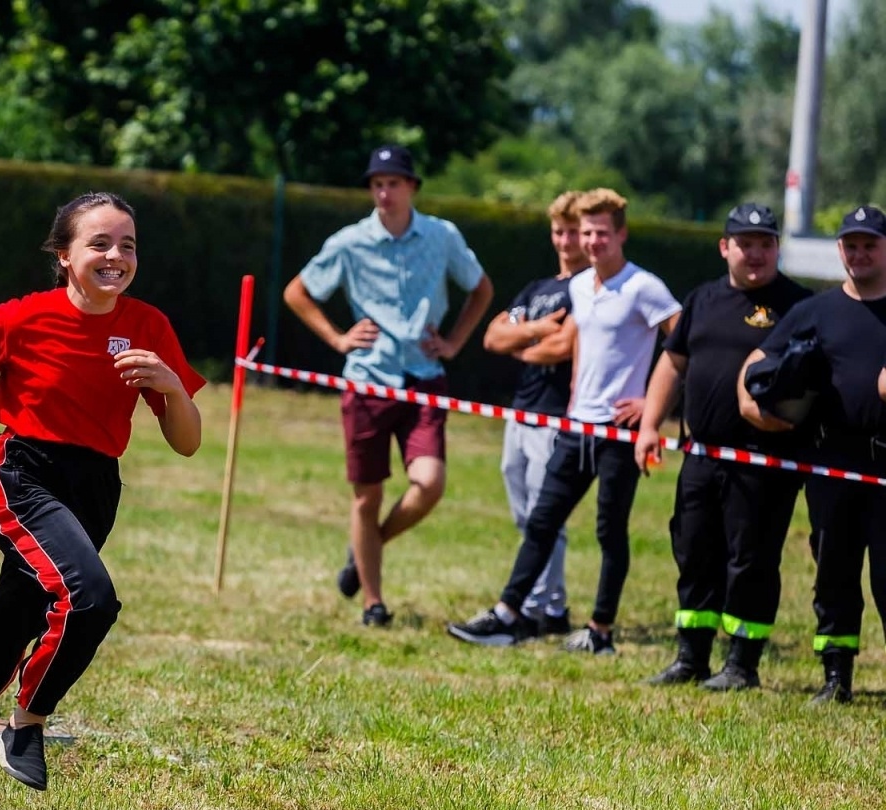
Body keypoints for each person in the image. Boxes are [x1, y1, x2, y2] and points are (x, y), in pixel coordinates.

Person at [0, 191, 205, 810]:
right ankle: (26, 723)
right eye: (99, 243)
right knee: (90, 599)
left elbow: (186, 442)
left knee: (13, 621)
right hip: (23, 475)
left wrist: (172, 389)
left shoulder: (149, 327)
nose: (116, 256)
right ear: (64, 254)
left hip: (96, 488)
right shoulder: (23, 317)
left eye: (128, 245)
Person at [448, 188, 680, 653]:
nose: (592, 241)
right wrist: (575, 395)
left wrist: (651, 409)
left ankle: (600, 631)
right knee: (541, 522)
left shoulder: (644, 287)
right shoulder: (580, 287)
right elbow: (580, 350)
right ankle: (507, 616)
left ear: (622, 234)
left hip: (618, 431)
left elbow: (683, 345)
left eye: (601, 233)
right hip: (577, 427)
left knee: (609, 532)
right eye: (586, 232)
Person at [283, 145, 493, 626]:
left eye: (393, 183)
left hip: (424, 379)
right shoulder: (350, 241)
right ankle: (373, 603)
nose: (384, 192)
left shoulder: (442, 235)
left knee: (430, 484)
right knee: (367, 497)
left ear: (412, 187)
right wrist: (338, 338)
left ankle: (364, 549)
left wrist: (455, 342)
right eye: (377, 183)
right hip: (368, 382)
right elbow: (297, 291)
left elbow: (481, 288)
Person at [635, 204, 812, 690]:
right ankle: (690, 657)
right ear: (724, 247)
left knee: (750, 558)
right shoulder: (702, 299)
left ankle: (741, 664)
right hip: (701, 454)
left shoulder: (799, 305)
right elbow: (673, 363)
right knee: (693, 549)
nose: (755, 253)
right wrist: (650, 424)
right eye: (745, 243)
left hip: (764, 460)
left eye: (765, 244)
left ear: (777, 248)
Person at [737, 205, 886, 704]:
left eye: (870, 244)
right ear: (840, 249)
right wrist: (749, 401)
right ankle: (836, 677)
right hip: (832, 461)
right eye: (851, 245)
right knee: (834, 572)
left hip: (885, 466)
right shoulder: (817, 310)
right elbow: (760, 360)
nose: (859, 254)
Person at [479, 190, 586, 638]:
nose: (565, 241)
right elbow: (492, 338)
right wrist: (537, 329)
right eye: (559, 232)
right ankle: (548, 604)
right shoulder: (539, 289)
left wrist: (521, 341)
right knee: (524, 513)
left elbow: (561, 348)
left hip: (556, 415)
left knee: (545, 515)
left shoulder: (589, 289)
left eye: (573, 232)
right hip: (521, 411)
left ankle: (542, 607)